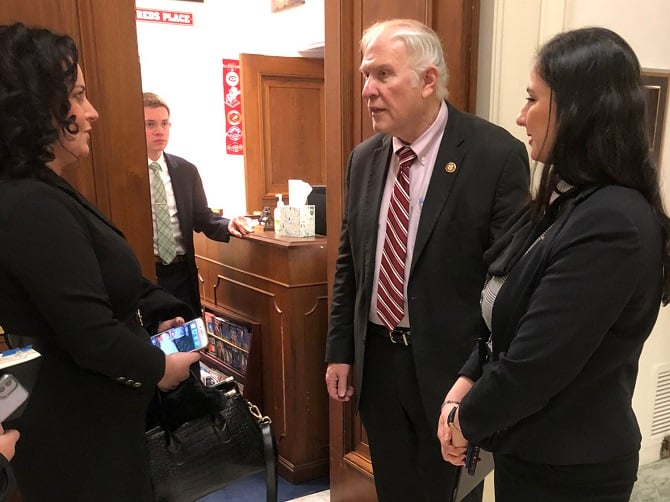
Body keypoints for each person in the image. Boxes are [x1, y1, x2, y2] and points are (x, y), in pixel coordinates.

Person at [438, 27, 670, 502]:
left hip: (572, 470)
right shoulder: (567, 203)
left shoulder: (613, 220)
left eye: (532, 99)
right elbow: (504, 311)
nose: (521, 116)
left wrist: (465, 423)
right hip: (534, 452)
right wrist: (466, 378)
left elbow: (535, 364)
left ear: (578, 110)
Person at [324, 18, 530, 501]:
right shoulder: (365, 158)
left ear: (428, 79)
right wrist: (340, 348)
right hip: (378, 361)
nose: (367, 90)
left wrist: (477, 372)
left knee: (449, 495)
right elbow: (349, 262)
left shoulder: (494, 154)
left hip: (451, 370)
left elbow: (508, 283)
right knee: (394, 488)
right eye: (364, 76)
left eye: (382, 75)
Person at [0, 23, 201, 500]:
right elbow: (90, 335)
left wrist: (155, 306)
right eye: (78, 95)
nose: (92, 112)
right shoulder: (30, 203)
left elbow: (104, 279)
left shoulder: (45, 188)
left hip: (92, 416)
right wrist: (160, 368)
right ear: (36, 106)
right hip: (77, 427)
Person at [143, 92, 251, 319]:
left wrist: (226, 224)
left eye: (164, 124)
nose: (159, 131)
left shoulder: (185, 170)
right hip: (145, 274)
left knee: (188, 342)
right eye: (150, 124)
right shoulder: (124, 174)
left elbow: (202, 216)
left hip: (181, 273)